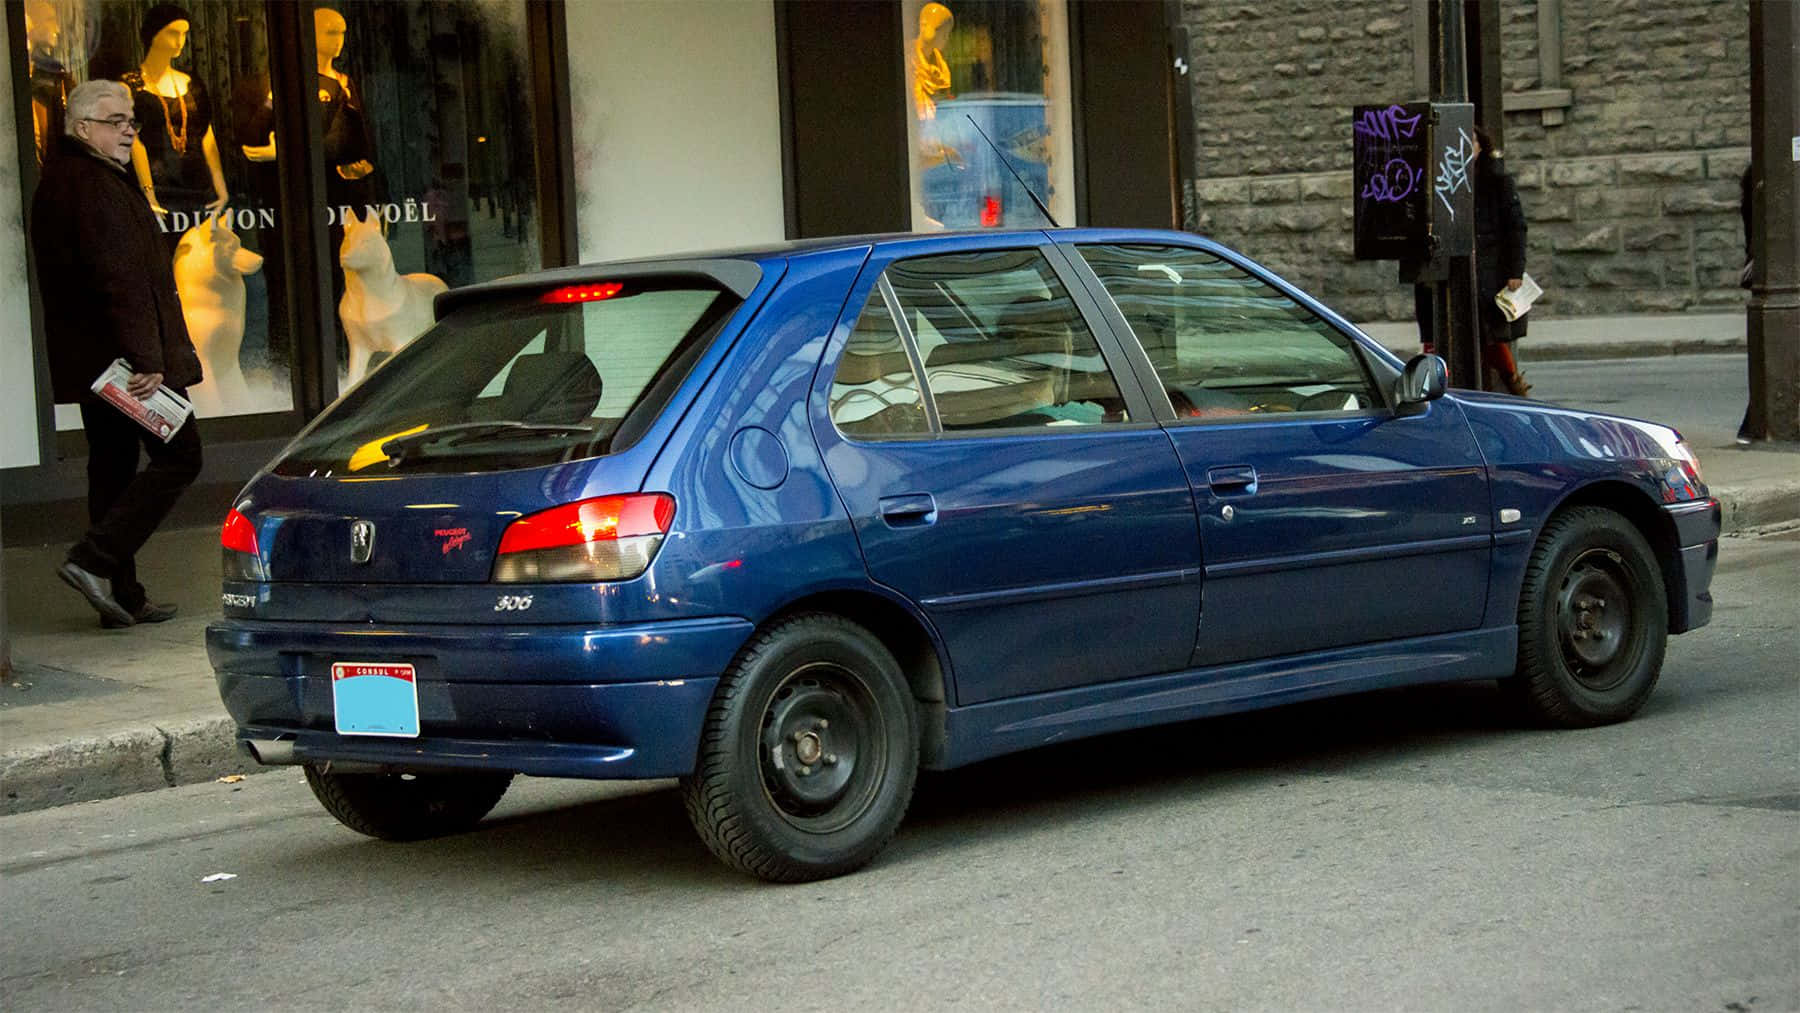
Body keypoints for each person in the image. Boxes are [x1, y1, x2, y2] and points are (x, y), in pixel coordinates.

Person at [31, 80, 204, 629]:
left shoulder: (70, 179)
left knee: (113, 466)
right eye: (116, 120)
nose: (130, 128)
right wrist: (147, 357)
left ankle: (122, 596)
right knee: (182, 456)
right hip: (125, 368)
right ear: (83, 128)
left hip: (97, 364)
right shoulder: (93, 184)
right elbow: (119, 280)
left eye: (132, 119)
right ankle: (93, 560)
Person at [1414, 124, 1531, 395]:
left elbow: (1515, 227)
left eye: (1471, 142)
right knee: (1435, 329)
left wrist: (1515, 270)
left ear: (1481, 146)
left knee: (1488, 333)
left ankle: (1511, 380)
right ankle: (1436, 384)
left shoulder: (1497, 181)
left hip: (1486, 269)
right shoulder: (1440, 177)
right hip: (1446, 265)